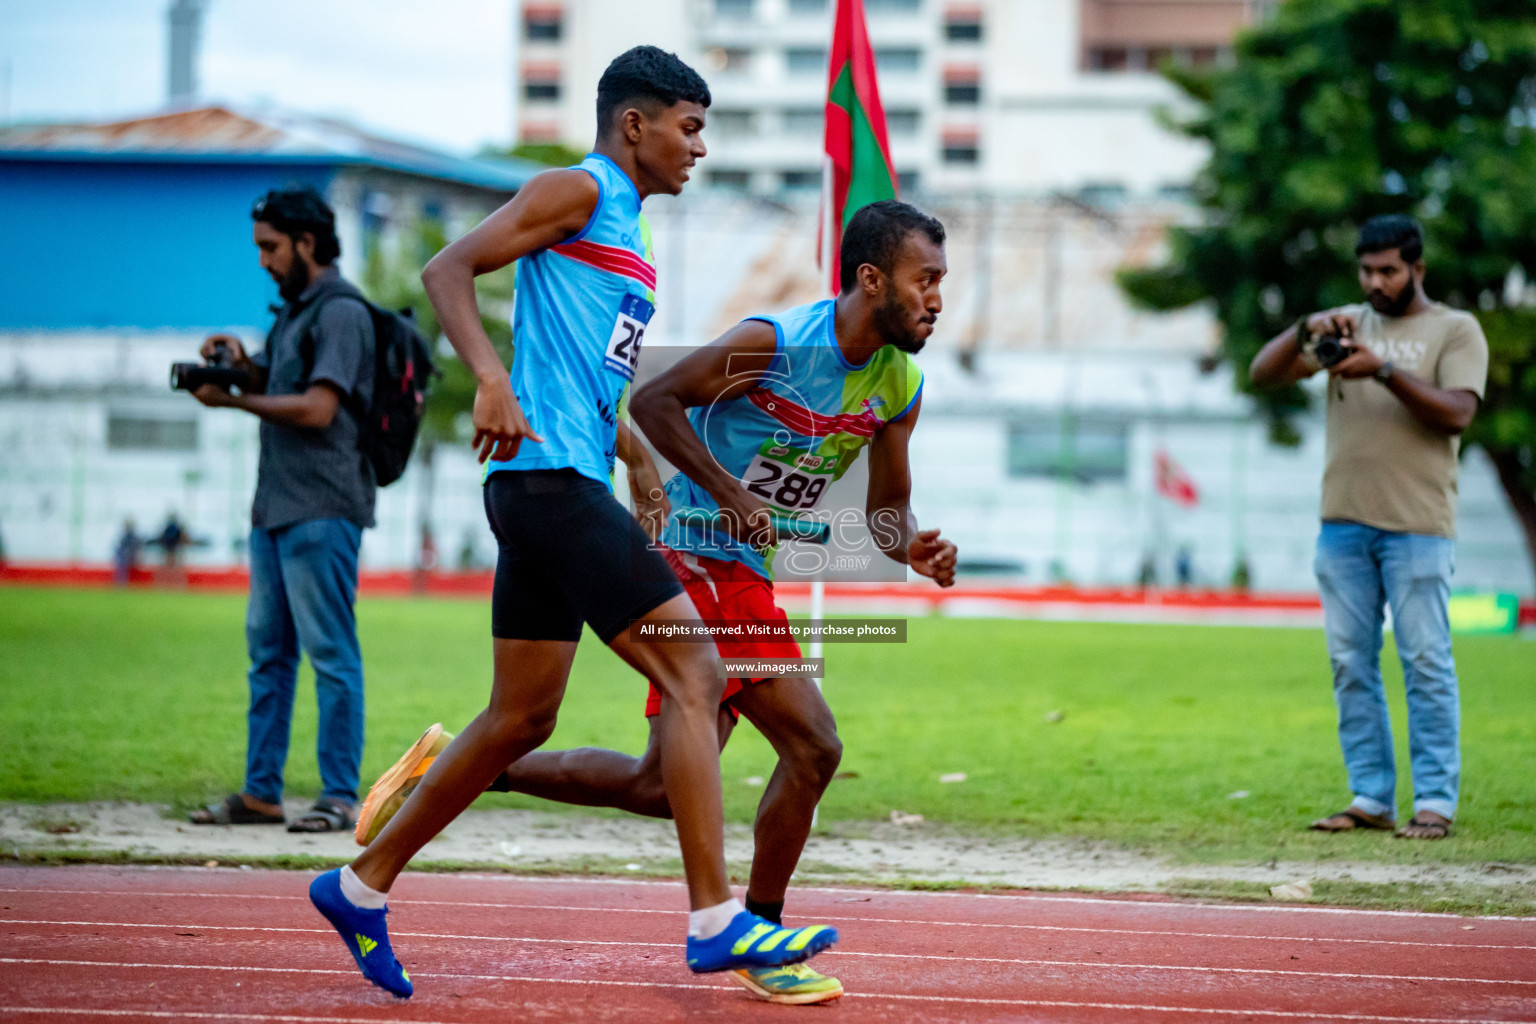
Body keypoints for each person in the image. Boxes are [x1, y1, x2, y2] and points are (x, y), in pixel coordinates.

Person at [304, 46, 840, 1000]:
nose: (700, 148)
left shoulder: (625, 230)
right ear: (635, 124)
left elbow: (592, 370)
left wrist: (633, 455)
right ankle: (717, 918)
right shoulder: (578, 191)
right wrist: (492, 379)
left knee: (522, 716)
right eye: (690, 126)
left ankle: (360, 883)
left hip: (559, 479)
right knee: (695, 668)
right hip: (546, 484)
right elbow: (447, 269)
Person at [355, 200, 959, 1006]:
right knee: (813, 745)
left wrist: (912, 545)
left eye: (942, 284)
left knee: (657, 787)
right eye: (926, 281)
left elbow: (887, 515)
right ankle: (758, 935)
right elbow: (653, 401)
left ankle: (460, 768)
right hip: (695, 550)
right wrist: (727, 491)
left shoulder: (900, 387)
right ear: (871, 279)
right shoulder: (773, 345)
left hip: (747, 569)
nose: (937, 301)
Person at [1249, 214, 1488, 841]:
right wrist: (1305, 328)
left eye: (1388, 270)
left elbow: (1458, 413)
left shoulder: (1455, 330)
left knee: (1425, 662)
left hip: (1418, 526)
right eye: (1367, 271)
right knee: (1350, 663)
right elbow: (1264, 374)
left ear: (1418, 268)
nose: (1376, 282)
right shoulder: (1347, 324)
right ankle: (1371, 796)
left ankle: (1434, 801)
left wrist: (1382, 370)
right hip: (1342, 526)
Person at [187, 186, 378, 835]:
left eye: (270, 247)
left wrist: (234, 403)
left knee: (331, 653)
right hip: (275, 508)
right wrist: (241, 367)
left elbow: (319, 407)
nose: (263, 260)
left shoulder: (343, 311)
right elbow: (282, 384)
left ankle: (340, 796)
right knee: (268, 655)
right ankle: (262, 793)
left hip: (323, 507)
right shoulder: (294, 311)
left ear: (305, 241)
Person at [113, 518, 143, 586]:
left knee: (123, 563)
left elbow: (136, 546)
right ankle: (121, 581)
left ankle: (122, 582)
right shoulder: (125, 536)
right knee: (122, 564)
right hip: (124, 555)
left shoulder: (132, 536)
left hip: (130, 555)